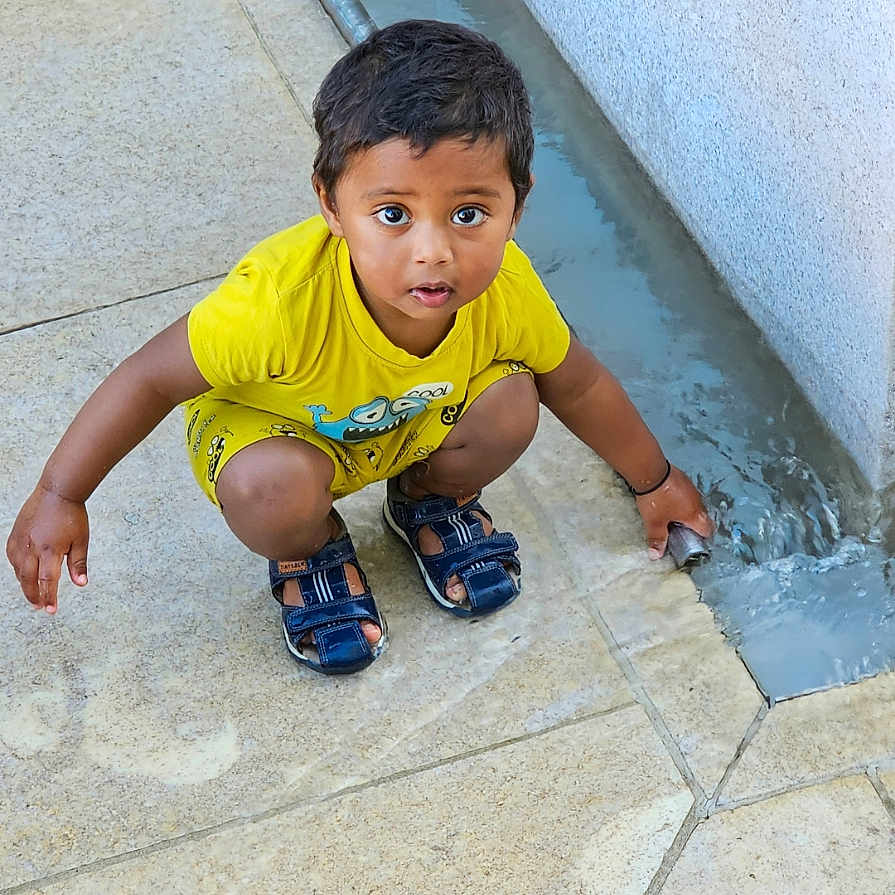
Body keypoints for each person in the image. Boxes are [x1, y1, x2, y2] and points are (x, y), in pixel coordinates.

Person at [6, 19, 713, 675]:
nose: (432, 252)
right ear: (330, 203)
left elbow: (579, 384)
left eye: (469, 213)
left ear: (517, 204)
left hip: (406, 420)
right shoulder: (277, 304)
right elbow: (151, 378)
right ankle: (308, 551)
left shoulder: (507, 292)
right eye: (392, 215)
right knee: (269, 491)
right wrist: (60, 492)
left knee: (513, 400)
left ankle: (429, 498)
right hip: (280, 436)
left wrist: (654, 481)